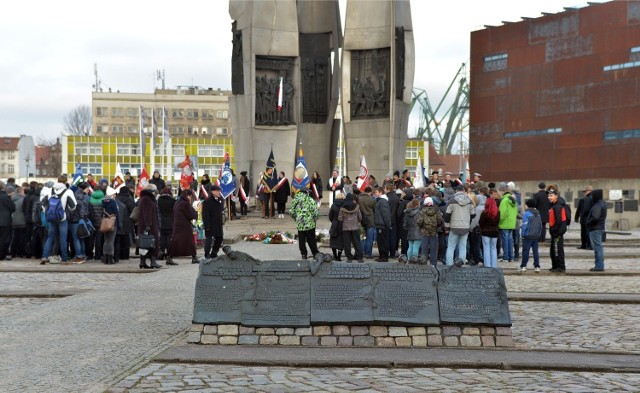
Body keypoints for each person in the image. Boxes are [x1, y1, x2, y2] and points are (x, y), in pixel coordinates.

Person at [41, 176, 77, 265]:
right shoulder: (68, 191)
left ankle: (45, 256)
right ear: (65, 182)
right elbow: (73, 206)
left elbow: (43, 204)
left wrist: (48, 212)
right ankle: (64, 259)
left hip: (51, 218)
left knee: (50, 237)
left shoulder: (49, 190)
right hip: (62, 218)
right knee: (63, 238)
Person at [444, 184, 475, 265]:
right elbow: (473, 214)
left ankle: (449, 265)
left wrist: (447, 227)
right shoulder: (469, 201)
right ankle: (461, 264)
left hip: (454, 226)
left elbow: (447, 215)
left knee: (451, 247)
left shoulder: (452, 200)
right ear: (464, 191)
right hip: (465, 227)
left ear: (456, 191)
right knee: (463, 246)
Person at [169, 189, 198, 264]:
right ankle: (194, 257)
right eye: (191, 196)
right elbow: (190, 214)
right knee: (190, 242)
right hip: (185, 226)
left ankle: (170, 257)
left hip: (177, 225)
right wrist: (196, 214)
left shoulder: (178, 202)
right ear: (188, 195)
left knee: (175, 241)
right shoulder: (186, 203)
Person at [289, 188, 319, 260]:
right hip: (310, 223)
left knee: (301, 240)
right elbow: (315, 212)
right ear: (306, 192)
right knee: (311, 239)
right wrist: (314, 219)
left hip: (300, 223)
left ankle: (304, 254)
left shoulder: (295, 200)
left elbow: (291, 212)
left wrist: (296, 218)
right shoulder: (310, 200)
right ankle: (315, 253)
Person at [137, 184, 161, 269]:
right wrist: (148, 225)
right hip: (149, 225)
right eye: (155, 190)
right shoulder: (147, 199)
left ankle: (143, 262)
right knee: (151, 243)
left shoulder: (144, 198)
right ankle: (153, 262)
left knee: (144, 243)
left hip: (146, 225)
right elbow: (146, 213)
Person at [547, 185, 568, 273]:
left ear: (556, 196)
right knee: (554, 250)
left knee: (557, 250)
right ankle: (555, 265)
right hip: (555, 232)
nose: (549, 197)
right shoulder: (554, 206)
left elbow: (558, 221)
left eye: (551, 196)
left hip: (557, 232)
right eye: (548, 196)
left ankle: (559, 266)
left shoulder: (557, 207)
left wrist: (554, 231)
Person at [338, 193, 364, 263]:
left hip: (346, 228)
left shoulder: (342, 208)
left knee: (347, 243)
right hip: (355, 227)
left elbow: (340, 218)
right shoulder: (357, 207)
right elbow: (360, 217)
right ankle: (359, 257)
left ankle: (349, 258)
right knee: (357, 242)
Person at [417, 197, 442, 266]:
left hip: (424, 231)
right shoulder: (437, 210)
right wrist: (437, 226)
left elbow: (419, 221)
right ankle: (433, 263)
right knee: (434, 248)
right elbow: (440, 220)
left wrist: (421, 227)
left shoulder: (422, 211)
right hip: (434, 231)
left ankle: (423, 262)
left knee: (424, 248)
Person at [202, 185, 225, 260]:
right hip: (210, 223)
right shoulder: (207, 201)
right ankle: (207, 254)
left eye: (219, 191)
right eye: (218, 191)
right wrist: (207, 225)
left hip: (218, 223)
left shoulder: (220, 200)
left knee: (220, 238)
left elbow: (221, 210)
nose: (219, 192)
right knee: (209, 239)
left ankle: (214, 253)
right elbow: (205, 214)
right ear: (213, 192)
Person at [519, 199, 542, 272]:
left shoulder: (526, 214)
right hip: (535, 235)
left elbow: (524, 225)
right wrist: (539, 234)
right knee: (535, 251)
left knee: (525, 251)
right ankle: (537, 266)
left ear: (528, 205)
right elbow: (540, 225)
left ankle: (523, 266)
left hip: (527, 235)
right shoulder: (538, 214)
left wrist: (522, 234)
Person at [586, 189, 607, 272]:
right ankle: (599, 265)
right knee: (598, 247)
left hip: (595, 228)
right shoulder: (602, 204)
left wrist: (588, 223)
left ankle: (599, 266)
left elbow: (595, 217)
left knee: (597, 248)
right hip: (599, 228)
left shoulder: (598, 205)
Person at [498, 182, 518, 263]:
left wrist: (498, 222)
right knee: (510, 241)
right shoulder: (513, 200)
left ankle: (506, 257)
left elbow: (502, 214)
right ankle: (511, 257)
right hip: (511, 223)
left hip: (504, 224)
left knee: (505, 241)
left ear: (502, 191)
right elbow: (515, 212)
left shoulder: (504, 200)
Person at [479, 196, 500, 268]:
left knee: (486, 249)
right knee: (493, 249)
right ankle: (493, 265)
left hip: (485, 231)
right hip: (494, 232)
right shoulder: (498, 212)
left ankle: (487, 265)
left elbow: (480, 222)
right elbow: (498, 222)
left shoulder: (484, 213)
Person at [116, 186, 135, 262]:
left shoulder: (116, 198)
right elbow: (133, 211)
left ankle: (118, 255)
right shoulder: (129, 199)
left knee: (118, 239)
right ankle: (125, 256)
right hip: (127, 221)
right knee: (126, 240)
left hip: (118, 221)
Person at [101, 187, 120, 265]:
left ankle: (105, 257)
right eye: (114, 194)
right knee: (111, 241)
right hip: (112, 223)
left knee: (106, 240)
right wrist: (118, 225)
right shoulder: (113, 202)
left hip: (105, 223)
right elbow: (116, 213)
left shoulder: (103, 201)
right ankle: (110, 258)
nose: (115, 196)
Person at [373, 187, 391, 262]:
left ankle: (384, 257)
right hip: (379, 224)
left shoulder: (383, 201)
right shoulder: (379, 200)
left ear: (381, 192)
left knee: (383, 241)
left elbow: (385, 214)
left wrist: (388, 225)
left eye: (376, 192)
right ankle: (381, 256)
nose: (375, 193)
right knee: (380, 242)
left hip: (382, 225)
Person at [157, 187, 175, 262]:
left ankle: (161, 252)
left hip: (161, 221)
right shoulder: (173, 200)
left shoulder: (159, 200)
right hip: (170, 221)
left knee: (162, 237)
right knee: (169, 238)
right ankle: (168, 252)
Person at [358, 186, 376, 258]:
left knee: (362, 237)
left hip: (361, 221)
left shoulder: (359, 199)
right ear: (370, 192)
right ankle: (368, 253)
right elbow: (375, 210)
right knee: (369, 238)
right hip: (370, 221)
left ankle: (362, 252)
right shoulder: (372, 199)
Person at [0, 184, 16, 261]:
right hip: (5, 221)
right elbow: (13, 208)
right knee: (4, 238)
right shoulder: (5, 197)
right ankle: (1, 254)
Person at [328, 192, 345, 261]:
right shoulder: (344, 205)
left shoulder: (333, 205)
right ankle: (339, 256)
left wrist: (334, 221)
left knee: (333, 240)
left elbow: (330, 216)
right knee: (341, 241)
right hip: (342, 225)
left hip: (334, 224)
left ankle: (335, 255)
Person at [575, 185, 593, 250]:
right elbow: (579, 209)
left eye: (585, 191)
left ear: (589, 192)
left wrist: (576, 217)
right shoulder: (583, 200)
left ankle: (585, 245)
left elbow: (579, 210)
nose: (584, 193)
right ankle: (585, 245)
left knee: (585, 233)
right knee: (585, 232)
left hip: (585, 218)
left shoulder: (584, 199)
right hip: (589, 219)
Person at [10, 187, 26, 259]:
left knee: (14, 237)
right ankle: (20, 253)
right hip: (22, 221)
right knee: (22, 238)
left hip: (13, 221)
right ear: (20, 192)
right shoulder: (23, 200)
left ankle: (13, 252)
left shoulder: (11, 199)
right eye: (23, 192)